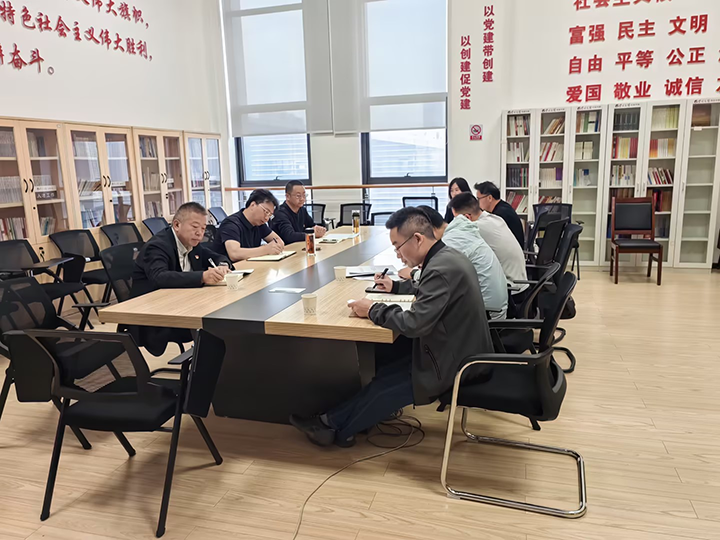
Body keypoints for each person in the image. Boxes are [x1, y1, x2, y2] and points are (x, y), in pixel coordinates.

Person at [289, 207, 493, 447]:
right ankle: (335, 422)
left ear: (417, 239)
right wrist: (396, 287)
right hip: (455, 348)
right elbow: (429, 292)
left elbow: (414, 323)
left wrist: (372, 309)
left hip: (456, 363)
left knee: (386, 384)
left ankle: (335, 428)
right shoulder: (446, 256)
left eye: (398, 246)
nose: (398, 255)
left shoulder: (440, 269)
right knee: (387, 369)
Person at [129, 202, 232, 356]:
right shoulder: (157, 246)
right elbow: (160, 277)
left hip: (183, 302)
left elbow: (217, 256)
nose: (200, 233)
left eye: (203, 228)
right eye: (195, 227)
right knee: (215, 324)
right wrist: (202, 276)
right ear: (177, 225)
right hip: (156, 314)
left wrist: (223, 265)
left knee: (222, 314)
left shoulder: (192, 243)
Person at [417, 206, 508, 319]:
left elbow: (437, 276)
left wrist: (413, 274)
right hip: (488, 307)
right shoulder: (459, 231)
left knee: (429, 317)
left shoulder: (453, 240)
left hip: (487, 315)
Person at [449, 193, 528, 299]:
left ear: (467, 217)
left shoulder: (475, 227)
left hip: (511, 293)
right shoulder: (495, 218)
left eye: (456, 219)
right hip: (521, 285)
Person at [214, 189, 285, 262]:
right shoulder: (231, 224)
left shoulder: (259, 224)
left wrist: (275, 247)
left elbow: (279, 241)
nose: (267, 218)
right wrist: (265, 249)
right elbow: (234, 254)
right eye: (266, 212)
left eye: (270, 215)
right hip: (231, 267)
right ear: (253, 205)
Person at [474, 181, 525, 248]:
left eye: (479, 199)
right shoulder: (503, 206)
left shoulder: (500, 215)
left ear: (489, 198)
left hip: (511, 250)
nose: (477, 202)